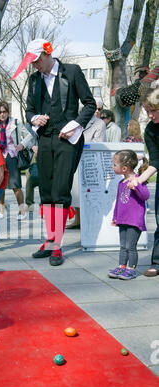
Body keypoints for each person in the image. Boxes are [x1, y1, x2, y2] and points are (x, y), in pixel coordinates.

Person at [11, 38, 96, 265]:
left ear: (47, 54)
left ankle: (57, 245)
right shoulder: (34, 79)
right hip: (44, 140)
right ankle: (49, 240)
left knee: (60, 190)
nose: (34, 66)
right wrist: (33, 117)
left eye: (37, 61)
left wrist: (74, 125)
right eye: (32, 63)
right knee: (46, 192)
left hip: (68, 140)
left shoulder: (73, 71)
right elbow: (29, 109)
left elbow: (90, 104)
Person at [128, 86, 159, 277]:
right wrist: (139, 180)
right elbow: (156, 159)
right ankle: (157, 262)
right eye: (146, 111)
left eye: (152, 111)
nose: (149, 115)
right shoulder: (150, 130)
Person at [0, 100, 35, 220]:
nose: (2, 114)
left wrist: (21, 145)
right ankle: (1, 210)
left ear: (8, 112)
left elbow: (29, 136)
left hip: (12, 155)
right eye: (0, 112)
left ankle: (22, 212)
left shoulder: (15, 122)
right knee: (0, 185)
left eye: (4, 112)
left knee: (15, 185)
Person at [108, 149, 149, 280]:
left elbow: (145, 196)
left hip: (134, 220)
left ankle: (131, 269)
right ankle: (122, 267)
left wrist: (135, 186)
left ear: (124, 168)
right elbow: (119, 203)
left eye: (115, 164)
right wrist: (115, 217)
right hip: (123, 220)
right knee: (122, 246)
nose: (113, 167)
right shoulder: (121, 183)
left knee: (130, 246)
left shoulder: (138, 180)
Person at [67, 111, 107, 229]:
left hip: (90, 161)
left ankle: (89, 221)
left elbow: (98, 143)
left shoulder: (99, 123)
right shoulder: (75, 122)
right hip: (75, 159)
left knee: (89, 193)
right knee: (75, 192)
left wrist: (80, 145)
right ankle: (77, 219)